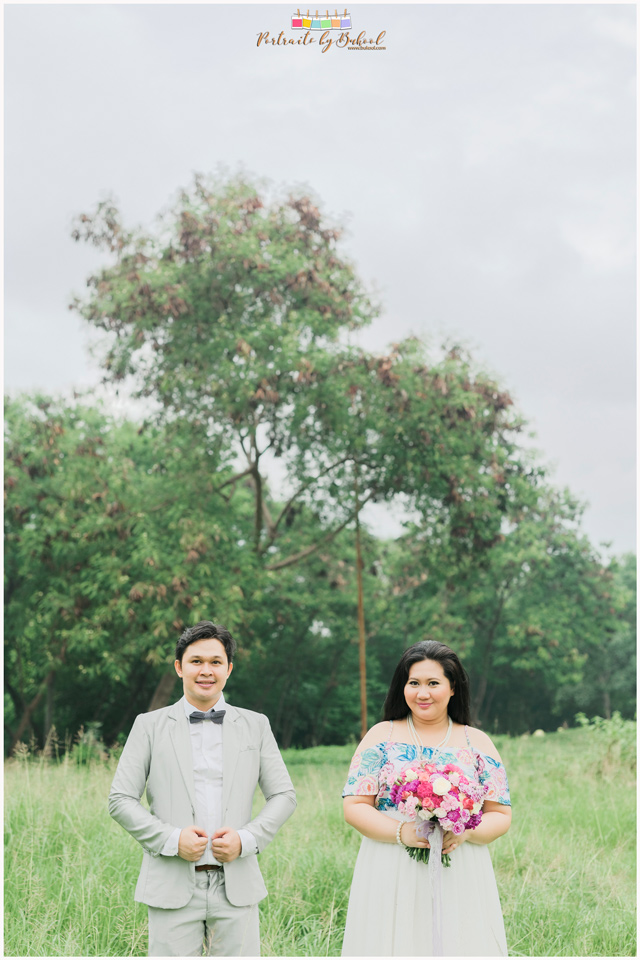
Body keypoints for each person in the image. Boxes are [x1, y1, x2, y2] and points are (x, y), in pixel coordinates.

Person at [109, 620, 296, 957]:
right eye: (196, 661)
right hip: (171, 883)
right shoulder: (148, 726)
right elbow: (121, 800)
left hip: (236, 885)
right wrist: (170, 839)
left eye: (215, 662)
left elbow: (284, 795)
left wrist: (247, 839)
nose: (206, 670)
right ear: (180, 667)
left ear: (229, 669)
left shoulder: (256, 725)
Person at [341, 640, 511, 957]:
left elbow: (500, 814)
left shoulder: (478, 742)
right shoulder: (381, 736)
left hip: (459, 864)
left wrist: (467, 830)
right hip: (390, 862)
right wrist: (400, 832)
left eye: (433, 683)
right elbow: (354, 806)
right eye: (414, 683)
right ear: (402, 687)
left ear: (452, 688)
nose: (423, 693)